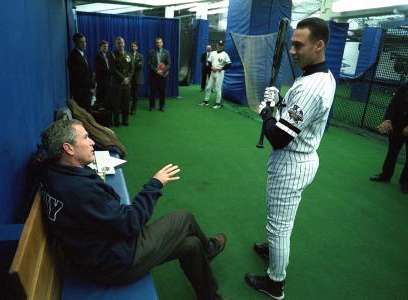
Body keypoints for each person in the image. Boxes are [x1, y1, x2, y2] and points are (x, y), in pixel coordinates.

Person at [39, 119, 227, 300]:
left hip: (97, 253)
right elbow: (131, 222)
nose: (92, 142)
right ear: (68, 148)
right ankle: (209, 249)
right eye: (86, 138)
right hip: (114, 264)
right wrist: (155, 184)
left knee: (191, 245)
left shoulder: (50, 171)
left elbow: (39, 159)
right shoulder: (81, 191)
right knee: (184, 218)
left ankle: (209, 295)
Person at [244, 17, 336, 300]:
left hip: (292, 162)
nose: (292, 51)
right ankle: (273, 250)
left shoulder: (310, 86)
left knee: (279, 226)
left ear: (318, 46)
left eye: (299, 45)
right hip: (304, 157)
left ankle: (275, 283)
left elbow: (279, 136)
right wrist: (280, 101)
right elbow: (297, 115)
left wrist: (266, 112)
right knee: (283, 221)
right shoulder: (318, 76)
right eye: (292, 44)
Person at [370, 80, 408, 194]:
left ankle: (406, 184)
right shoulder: (406, 85)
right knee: (392, 151)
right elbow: (393, 104)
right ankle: (385, 175)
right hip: (398, 125)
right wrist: (388, 120)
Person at [199, 40, 231, 109]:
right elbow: (209, 61)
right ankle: (206, 101)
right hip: (213, 72)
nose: (219, 46)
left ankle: (218, 103)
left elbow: (229, 64)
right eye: (219, 45)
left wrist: (221, 68)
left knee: (218, 89)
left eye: (221, 45)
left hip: (219, 73)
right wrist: (211, 67)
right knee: (208, 87)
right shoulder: (213, 53)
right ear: (216, 45)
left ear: (223, 46)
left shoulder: (225, 54)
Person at [68, 33, 95, 111]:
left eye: (85, 41)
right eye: (81, 42)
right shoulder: (74, 57)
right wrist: (92, 85)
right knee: (84, 114)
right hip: (81, 92)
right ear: (75, 43)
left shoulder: (82, 54)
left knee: (88, 112)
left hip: (87, 90)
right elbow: (80, 76)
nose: (84, 44)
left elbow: (88, 71)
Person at [110, 37, 133, 127]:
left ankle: (125, 120)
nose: (121, 44)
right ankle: (116, 121)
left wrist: (128, 79)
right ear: (116, 44)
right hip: (117, 84)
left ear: (124, 43)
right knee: (116, 104)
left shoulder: (128, 55)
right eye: (118, 43)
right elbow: (113, 69)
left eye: (122, 42)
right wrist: (123, 78)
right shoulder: (112, 55)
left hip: (127, 84)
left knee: (126, 103)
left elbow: (131, 69)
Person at [148, 37, 171, 112]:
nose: (158, 44)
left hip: (162, 76)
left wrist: (163, 70)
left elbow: (169, 64)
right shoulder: (151, 52)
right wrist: (156, 71)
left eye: (160, 42)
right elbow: (150, 64)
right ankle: (152, 106)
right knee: (152, 92)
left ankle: (162, 106)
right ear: (155, 43)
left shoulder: (166, 52)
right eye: (157, 42)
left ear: (162, 43)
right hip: (154, 75)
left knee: (162, 92)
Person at [94, 40, 112, 108]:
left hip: (108, 80)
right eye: (104, 46)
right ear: (100, 47)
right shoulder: (98, 56)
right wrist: (111, 72)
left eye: (107, 46)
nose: (106, 48)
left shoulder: (108, 55)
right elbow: (100, 68)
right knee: (101, 97)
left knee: (107, 96)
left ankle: (106, 109)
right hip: (101, 80)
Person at [129, 41, 144, 115]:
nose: (133, 47)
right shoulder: (127, 55)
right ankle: (127, 109)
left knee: (135, 95)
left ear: (137, 47)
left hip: (137, 78)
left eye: (134, 46)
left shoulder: (140, 56)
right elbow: (127, 66)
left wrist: (132, 65)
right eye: (132, 46)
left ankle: (133, 109)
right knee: (128, 95)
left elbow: (140, 66)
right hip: (129, 78)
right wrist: (136, 64)